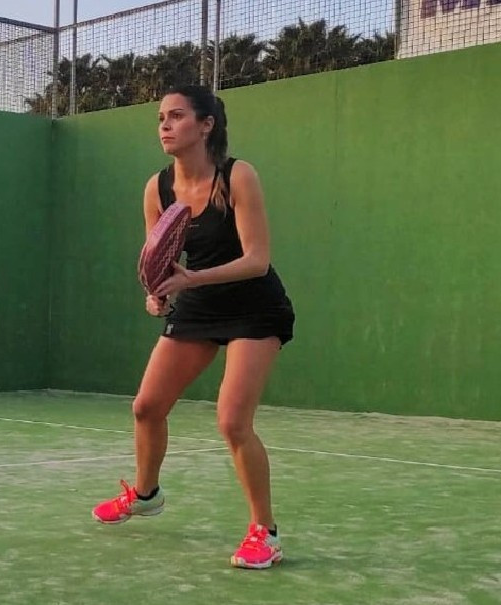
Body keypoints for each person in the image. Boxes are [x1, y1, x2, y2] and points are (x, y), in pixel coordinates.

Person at [92, 85, 295, 570]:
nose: (164, 125)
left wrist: (190, 280)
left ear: (206, 125)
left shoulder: (237, 175)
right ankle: (146, 495)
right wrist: (157, 293)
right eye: (161, 117)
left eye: (177, 115)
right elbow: (157, 261)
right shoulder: (157, 188)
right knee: (146, 407)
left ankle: (264, 533)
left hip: (254, 306)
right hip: (199, 305)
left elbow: (257, 259)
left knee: (232, 420)